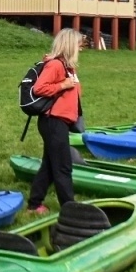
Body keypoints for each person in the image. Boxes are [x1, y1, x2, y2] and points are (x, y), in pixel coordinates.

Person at [25, 28, 82, 216]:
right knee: (63, 166)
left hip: (60, 122)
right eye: (78, 44)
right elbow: (39, 88)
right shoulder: (56, 66)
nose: (81, 47)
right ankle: (69, 208)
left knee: (50, 165)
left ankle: (34, 203)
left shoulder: (68, 67)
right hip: (53, 121)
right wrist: (62, 85)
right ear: (69, 45)